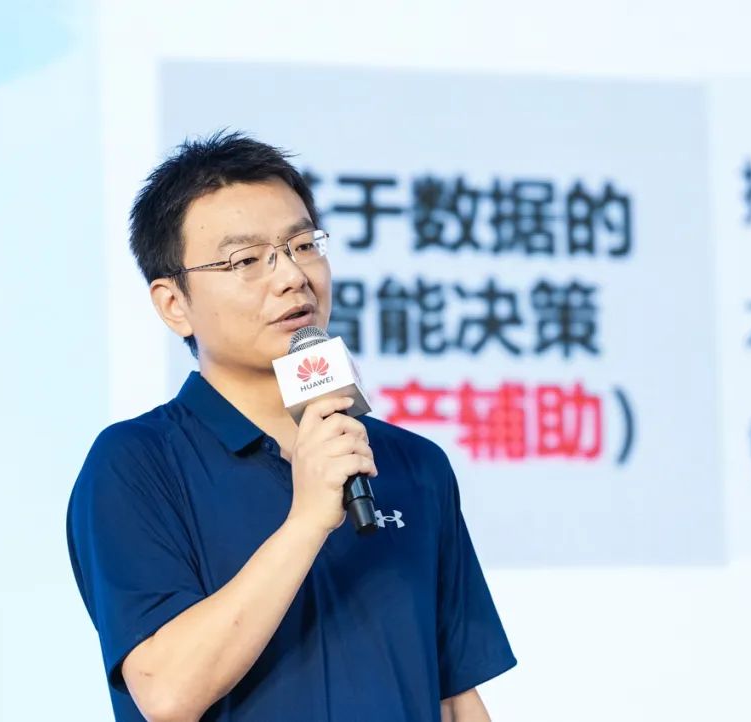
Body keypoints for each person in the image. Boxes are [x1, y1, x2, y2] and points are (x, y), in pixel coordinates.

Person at [66, 131, 516, 721]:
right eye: (246, 261)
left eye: (303, 245)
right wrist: (306, 522)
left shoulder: (413, 464)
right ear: (174, 304)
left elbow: (454, 700)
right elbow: (167, 692)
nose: (291, 277)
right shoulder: (135, 464)